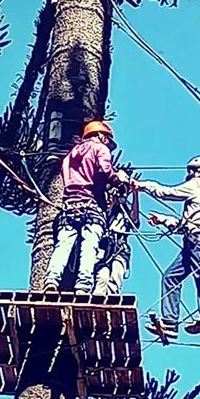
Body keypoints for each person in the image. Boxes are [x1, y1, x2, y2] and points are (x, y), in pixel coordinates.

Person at [133, 156, 200, 339]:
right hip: (195, 236)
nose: (188, 174)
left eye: (191, 170)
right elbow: (186, 222)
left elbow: (168, 193)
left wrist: (143, 185)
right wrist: (163, 220)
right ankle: (170, 322)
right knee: (171, 277)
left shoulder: (199, 184)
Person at [44, 120, 131, 293]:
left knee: (63, 245)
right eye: (107, 139)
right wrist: (118, 182)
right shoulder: (100, 148)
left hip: (69, 206)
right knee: (89, 246)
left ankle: (51, 280)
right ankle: (83, 286)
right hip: (91, 206)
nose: (108, 144)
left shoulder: (70, 155)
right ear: (100, 135)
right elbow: (106, 170)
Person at [93, 185, 137, 295]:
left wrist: (136, 195)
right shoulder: (102, 212)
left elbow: (134, 220)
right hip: (104, 249)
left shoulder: (123, 211)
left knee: (115, 278)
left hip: (119, 248)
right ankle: (97, 303)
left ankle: (109, 307)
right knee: (101, 278)